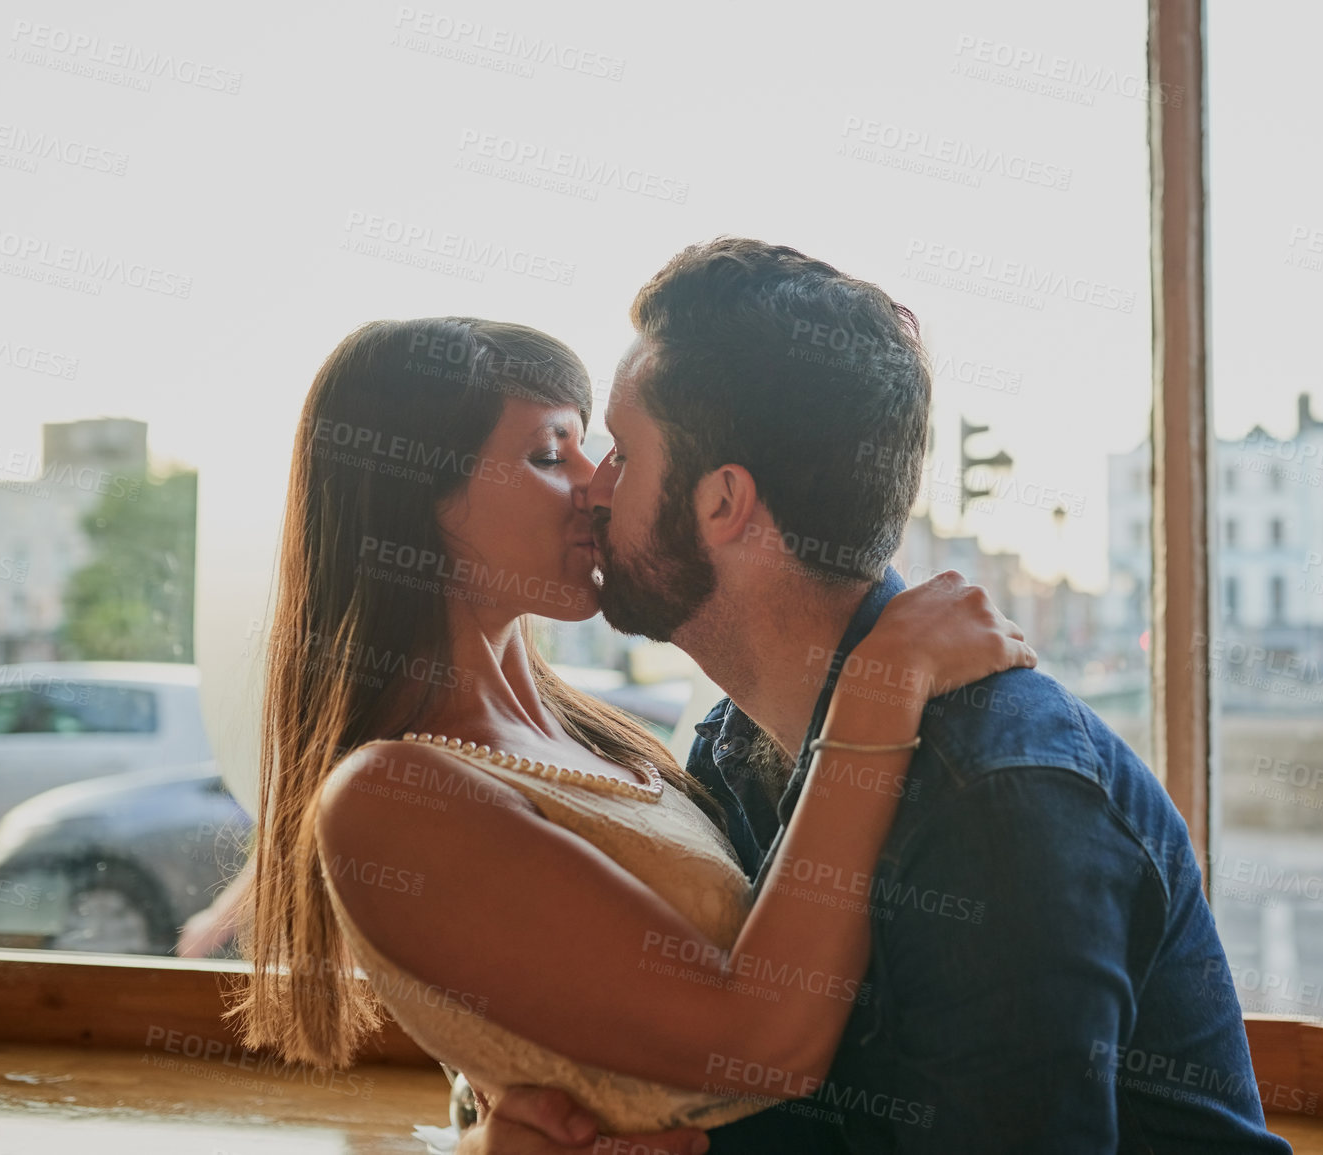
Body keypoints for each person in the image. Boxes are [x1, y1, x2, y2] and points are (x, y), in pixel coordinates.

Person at [462, 238, 1294, 1154]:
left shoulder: (999, 797)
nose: (594, 490)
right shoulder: (730, 752)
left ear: (723, 502)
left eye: (621, 451)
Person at [230, 316, 1033, 1147]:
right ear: (413, 500)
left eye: (593, 446)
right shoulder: (390, 796)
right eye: (550, 454)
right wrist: (878, 689)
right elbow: (756, 1045)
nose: (596, 483)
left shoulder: (604, 737)